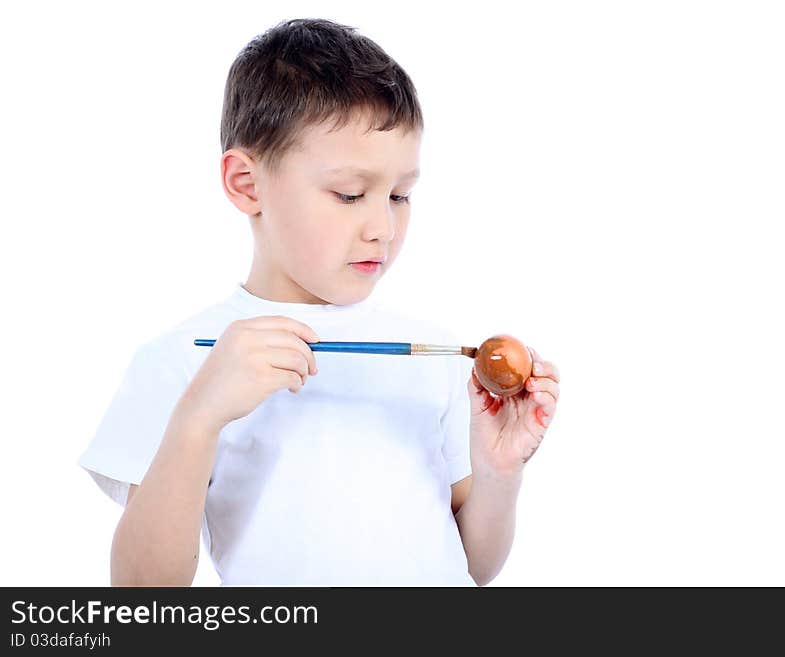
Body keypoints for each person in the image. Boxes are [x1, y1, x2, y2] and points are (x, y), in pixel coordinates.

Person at [78, 17, 560, 586]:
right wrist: (198, 418)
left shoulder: (436, 358)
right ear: (246, 184)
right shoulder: (186, 359)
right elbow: (144, 597)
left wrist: (498, 474)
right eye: (350, 194)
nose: (382, 226)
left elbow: (469, 570)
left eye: (401, 194)